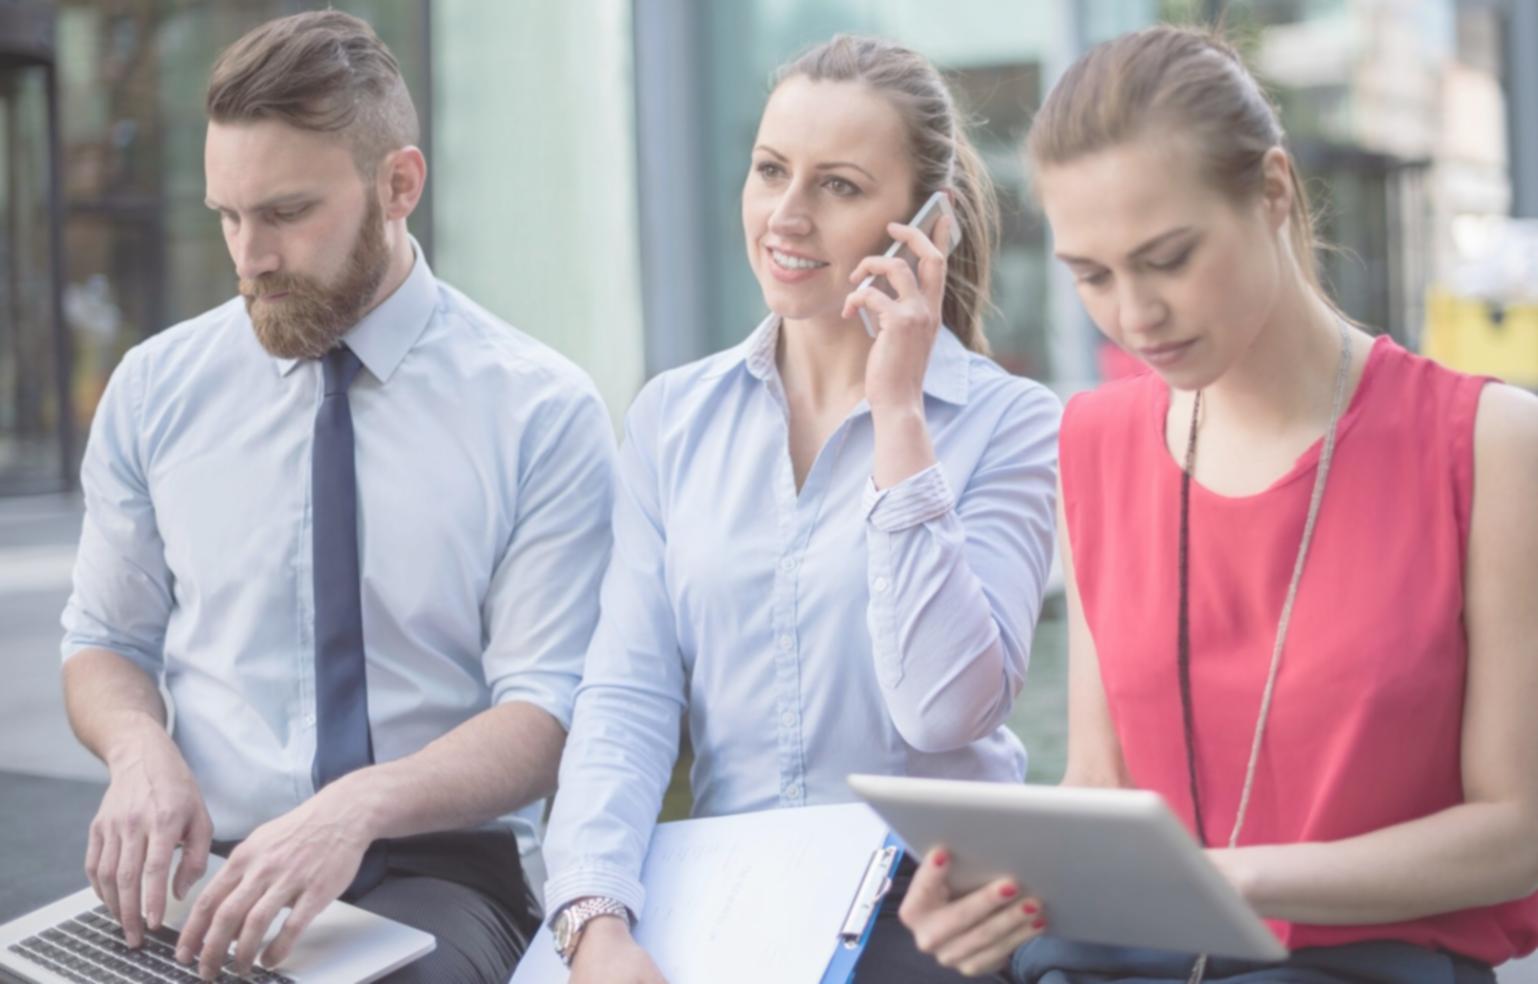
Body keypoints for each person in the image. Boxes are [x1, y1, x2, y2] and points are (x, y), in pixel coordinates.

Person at [896, 24, 1538, 983]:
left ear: (1273, 191)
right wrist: (998, 892)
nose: (1133, 314)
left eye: (1168, 258)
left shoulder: (1487, 443)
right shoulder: (1096, 441)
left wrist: (1228, 879)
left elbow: (1517, 832)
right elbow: (1100, 785)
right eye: (1092, 275)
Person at [58, 11, 615, 983]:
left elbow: (546, 711)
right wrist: (139, 748)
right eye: (226, 216)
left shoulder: (539, 411)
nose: (248, 259)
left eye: (283, 213)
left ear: (398, 184)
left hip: (436, 867)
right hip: (205, 871)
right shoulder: (154, 392)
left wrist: (350, 810)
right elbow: (104, 638)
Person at [538, 33, 1060, 983]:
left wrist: (898, 411)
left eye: (840, 186)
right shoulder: (671, 420)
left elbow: (945, 711)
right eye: (771, 170)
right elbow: (626, 700)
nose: (786, 216)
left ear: (927, 227)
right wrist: (594, 920)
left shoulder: (1011, 424)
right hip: (731, 909)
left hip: (929, 918)